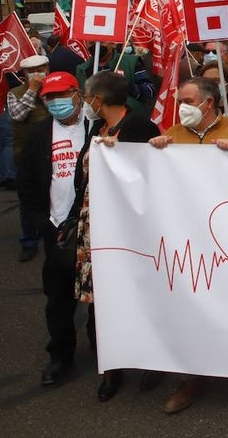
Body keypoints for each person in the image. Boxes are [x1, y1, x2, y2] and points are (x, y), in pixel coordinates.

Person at [148, 77, 228, 414]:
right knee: (191, 307)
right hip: (189, 241)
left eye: (186, 99)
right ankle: (192, 377)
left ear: (208, 103)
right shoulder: (174, 134)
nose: (181, 105)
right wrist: (151, 153)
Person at [71, 71, 160, 401]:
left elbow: (150, 174)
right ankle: (111, 366)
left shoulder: (138, 128)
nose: (85, 102)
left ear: (99, 100)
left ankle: (151, 360)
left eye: (87, 96)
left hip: (128, 230)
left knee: (136, 292)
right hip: (94, 226)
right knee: (100, 300)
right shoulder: (96, 128)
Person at [14, 71, 89, 388]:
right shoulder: (40, 133)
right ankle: (60, 357)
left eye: (62, 95)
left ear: (78, 94)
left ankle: (110, 362)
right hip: (56, 230)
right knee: (58, 300)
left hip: (94, 230)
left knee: (101, 300)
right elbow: (27, 182)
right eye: (50, 98)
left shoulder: (97, 127)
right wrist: (42, 224)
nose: (57, 102)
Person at [8, 54, 50, 261]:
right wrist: (33, 90)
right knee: (28, 200)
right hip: (26, 155)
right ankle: (29, 241)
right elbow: (17, 115)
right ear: (24, 73)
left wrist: (45, 93)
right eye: (32, 71)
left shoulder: (55, 90)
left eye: (41, 69)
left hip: (52, 153)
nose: (37, 74)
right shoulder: (15, 93)